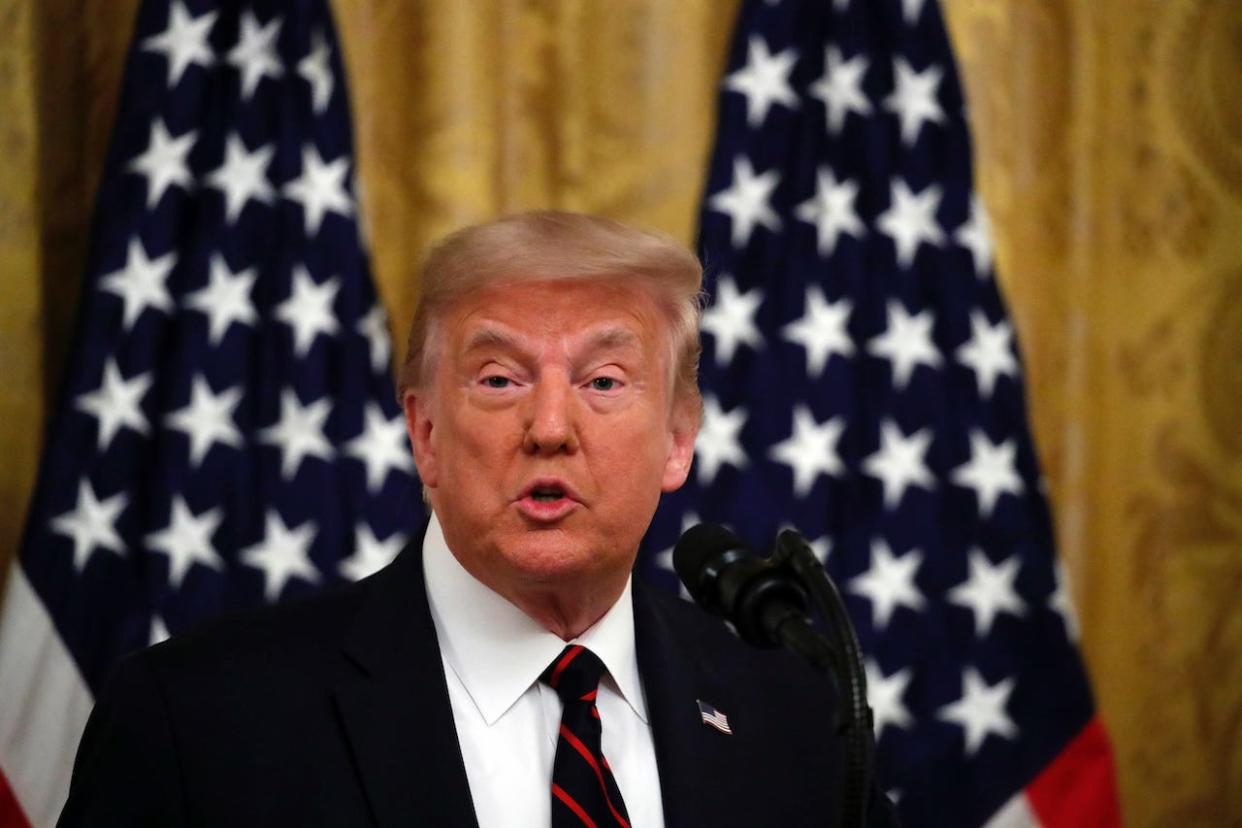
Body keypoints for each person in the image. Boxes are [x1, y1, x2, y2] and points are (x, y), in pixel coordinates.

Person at [59, 211, 897, 826]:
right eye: (500, 379)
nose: (551, 427)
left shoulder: (792, 720)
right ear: (424, 433)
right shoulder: (199, 722)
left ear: (678, 441)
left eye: (604, 382)